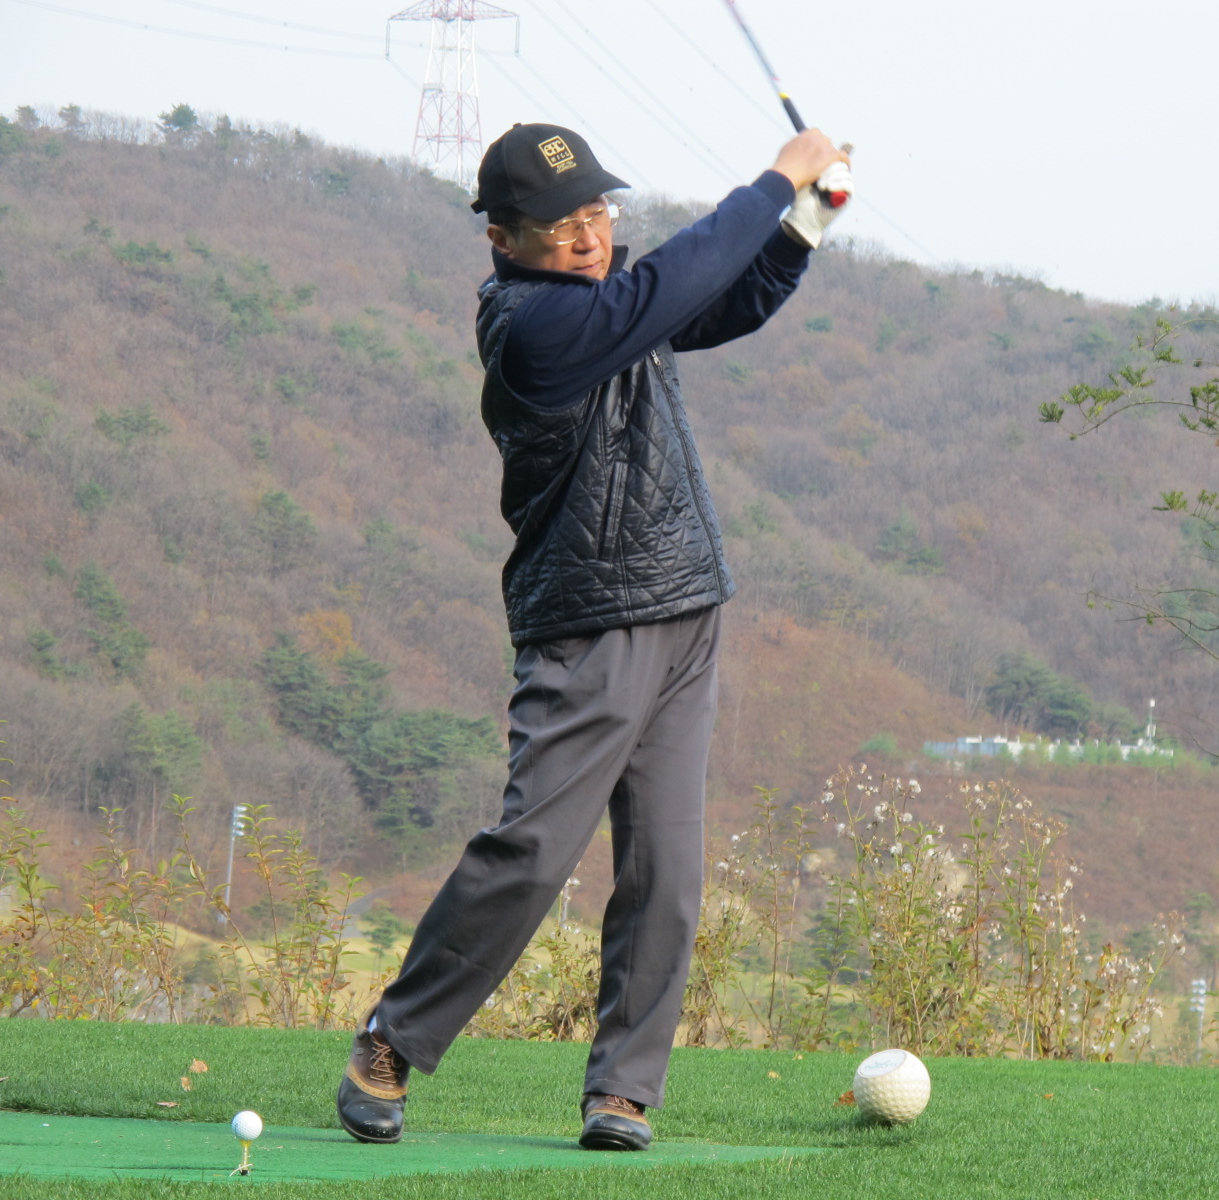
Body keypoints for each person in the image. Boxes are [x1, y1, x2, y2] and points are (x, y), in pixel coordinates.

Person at [335, 121, 852, 1152]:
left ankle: (623, 1090)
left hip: (686, 605)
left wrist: (803, 224)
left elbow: (728, 298)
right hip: (588, 623)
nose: (587, 236)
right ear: (501, 238)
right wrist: (775, 177)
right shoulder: (533, 325)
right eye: (559, 224)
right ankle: (393, 1039)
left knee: (667, 870)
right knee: (532, 851)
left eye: (596, 212)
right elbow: (674, 281)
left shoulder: (610, 303)